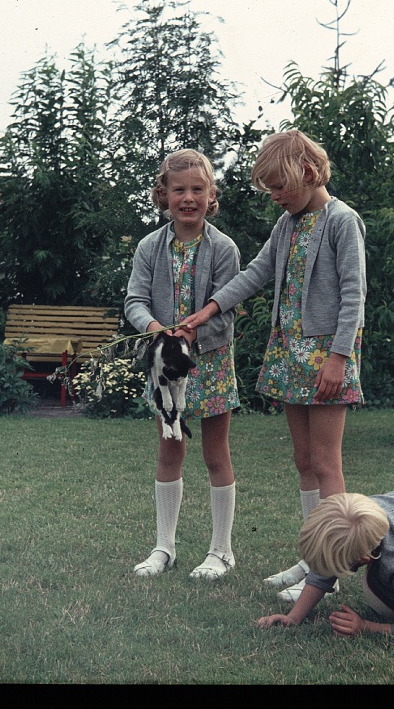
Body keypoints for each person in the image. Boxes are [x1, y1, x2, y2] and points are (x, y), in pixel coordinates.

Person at [184, 129, 366, 600]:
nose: (275, 198)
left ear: (307, 173)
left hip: (326, 357)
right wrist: (209, 310)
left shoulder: (342, 221)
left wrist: (338, 358)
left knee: (327, 463)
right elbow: (255, 274)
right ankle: (312, 558)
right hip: (288, 356)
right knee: (304, 460)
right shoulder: (286, 226)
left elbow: (354, 296)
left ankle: (329, 574)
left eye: (280, 187)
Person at [124, 149, 241, 579]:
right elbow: (134, 300)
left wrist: (194, 335)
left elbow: (226, 309)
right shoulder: (148, 248)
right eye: (179, 190)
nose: (188, 198)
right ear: (164, 194)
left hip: (210, 363)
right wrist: (157, 330)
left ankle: (221, 550)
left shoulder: (224, 248)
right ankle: (164, 547)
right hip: (164, 370)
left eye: (197, 189)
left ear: (211, 195)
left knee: (215, 453)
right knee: (169, 449)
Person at [255, 481, 394, 642]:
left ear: (363, 558)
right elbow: (325, 567)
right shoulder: (359, 515)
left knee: (383, 596)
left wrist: (365, 626)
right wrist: (293, 617)